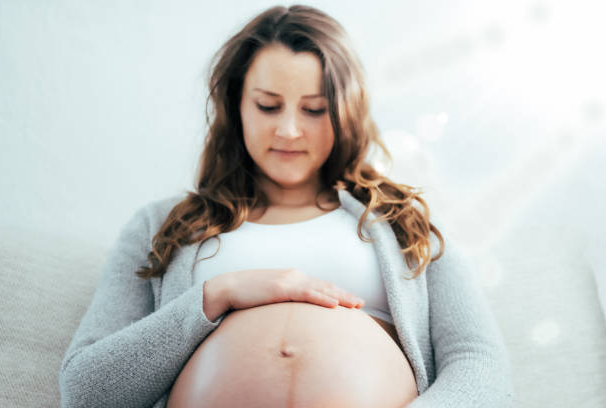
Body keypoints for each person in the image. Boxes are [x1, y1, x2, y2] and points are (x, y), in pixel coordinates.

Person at [59, 4, 514, 408]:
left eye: (314, 109)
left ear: (344, 111)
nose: (290, 130)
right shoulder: (161, 226)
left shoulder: (403, 221)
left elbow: (482, 368)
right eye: (268, 106)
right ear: (236, 104)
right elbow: (84, 391)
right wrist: (218, 295)